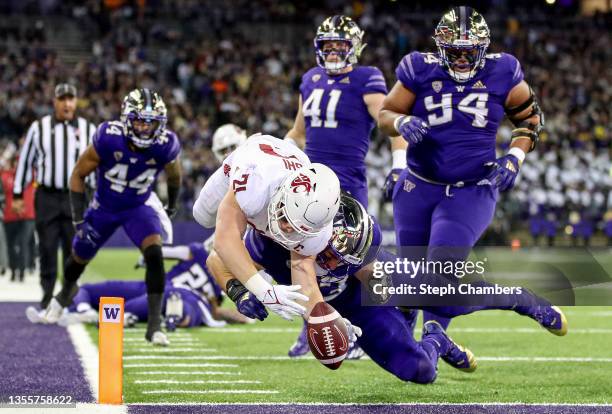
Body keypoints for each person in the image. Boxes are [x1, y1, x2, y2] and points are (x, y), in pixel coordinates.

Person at [210, 192, 566, 383]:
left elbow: (368, 276)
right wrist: (239, 291)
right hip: (345, 308)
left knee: (452, 298)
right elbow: (217, 259)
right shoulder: (273, 243)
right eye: (331, 255)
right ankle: (435, 340)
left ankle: (523, 300)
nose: (335, 263)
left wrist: (402, 302)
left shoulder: (360, 242)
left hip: (365, 288)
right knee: (420, 371)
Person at [378, 6, 545, 332]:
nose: (462, 60)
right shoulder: (419, 68)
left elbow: (529, 119)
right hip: (418, 186)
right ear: (441, 47)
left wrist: (514, 157)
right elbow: (386, 114)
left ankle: (441, 335)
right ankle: (424, 346)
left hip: (471, 188)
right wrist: (402, 120)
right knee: (409, 287)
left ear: (483, 48)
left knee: (440, 274)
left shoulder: (503, 71)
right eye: (455, 52)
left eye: (469, 52)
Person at [39, 88, 182, 347]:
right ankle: (62, 296)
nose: (144, 127)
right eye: (139, 120)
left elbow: (175, 176)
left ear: (160, 123)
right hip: (104, 206)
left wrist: (171, 206)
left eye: (151, 122)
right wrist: (78, 218)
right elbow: (77, 174)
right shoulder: (108, 137)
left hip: (138, 206)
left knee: (154, 255)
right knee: (78, 258)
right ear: (127, 119)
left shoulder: (165, 145)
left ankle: (154, 327)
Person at [193, 133, 360, 335]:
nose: (287, 229)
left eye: (297, 227)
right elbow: (223, 242)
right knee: (202, 217)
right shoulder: (256, 184)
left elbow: (305, 282)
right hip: (252, 157)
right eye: (286, 219)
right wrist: (263, 291)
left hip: (287, 165)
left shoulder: (318, 228)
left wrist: (330, 322)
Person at [285, 15, 406, 209]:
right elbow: (298, 133)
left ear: (353, 47)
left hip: (347, 182)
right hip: (310, 179)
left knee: (357, 238)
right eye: (327, 46)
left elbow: (392, 125)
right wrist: (280, 152)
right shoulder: (310, 78)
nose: (332, 53)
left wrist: (400, 165)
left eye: (339, 46)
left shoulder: (366, 78)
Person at [26, 242, 250, 328]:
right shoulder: (222, 275)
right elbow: (216, 310)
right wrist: (239, 316)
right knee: (89, 290)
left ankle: (90, 312)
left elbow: (164, 251)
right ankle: (86, 311)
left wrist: (147, 257)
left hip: (168, 293)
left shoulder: (201, 253)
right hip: (163, 292)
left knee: (178, 309)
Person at [12, 83, 97, 307]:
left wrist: (98, 195)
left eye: (71, 99)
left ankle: (70, 294)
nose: (67, 103)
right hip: (47, 196)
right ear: (55, 102)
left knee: (74, 247)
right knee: (47, 247)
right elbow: (26, 161)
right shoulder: (38, 128)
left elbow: (98, 164)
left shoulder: (89, 129)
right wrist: (18, 193)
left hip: (76, 198)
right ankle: (47, 294)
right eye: (63, 99)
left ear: (76, 102)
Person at [1, 155, 36, 282]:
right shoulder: (6, 175)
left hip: (27, 216)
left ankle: (21, 271)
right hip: (10, 215)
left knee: (23, 243)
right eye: (16, 162)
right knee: (10, 245)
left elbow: (37, 173)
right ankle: (13, 270)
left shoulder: (30, 176)